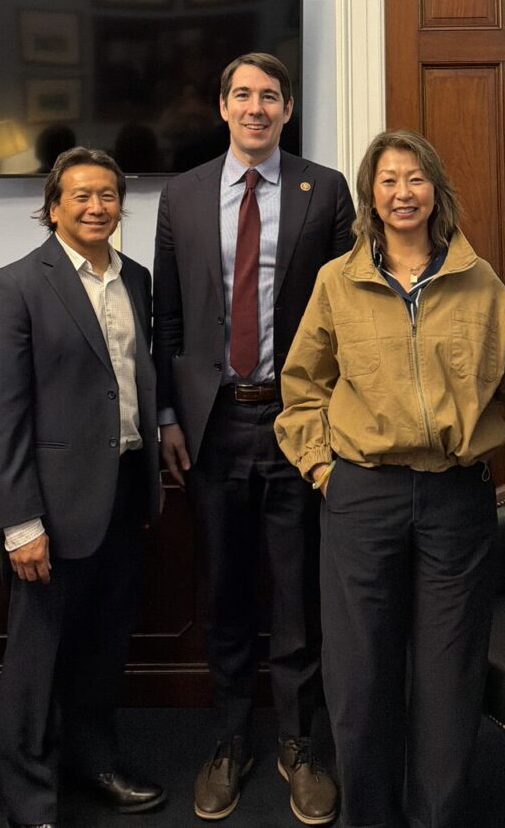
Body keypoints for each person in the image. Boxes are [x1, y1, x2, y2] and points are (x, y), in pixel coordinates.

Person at [275, 129, 505, 828]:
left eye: (415, 178)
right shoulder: (337, 282)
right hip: (363, 494)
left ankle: (436, 819)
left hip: (456, 498)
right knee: (359, 679)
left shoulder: (480, 282)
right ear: (370, 196)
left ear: (435, 190)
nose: (402, 192)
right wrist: (323, 468)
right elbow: (301, 389)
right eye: (388, 180)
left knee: (449, 681)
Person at [153, 52, 354, 823]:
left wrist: (333, 419)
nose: (256, 108)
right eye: (243, 94)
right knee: (226, 590)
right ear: (223, 105)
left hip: (299, 423)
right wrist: (170, 415)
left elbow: (346, 316)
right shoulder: (184, 192)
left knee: (300, 590)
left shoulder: (324, 190)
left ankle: (299, 743)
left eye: (270, 96)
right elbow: (167, 318)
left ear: (287, 109)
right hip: (211, 424)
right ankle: (231, 738)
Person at [0, 147, 164, 828]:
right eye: (81, 195)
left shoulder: (136, 280)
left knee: (103, 644)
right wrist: (20, 520)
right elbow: (1, 414)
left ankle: (94, 760)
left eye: (108, 194)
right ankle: (31, 794)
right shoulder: (16, 285)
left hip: (124, 492)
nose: (96, 206)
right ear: (53, 206)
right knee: (37, 654)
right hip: (49, 506)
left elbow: (139, 380)